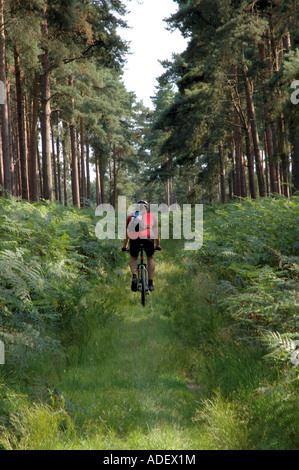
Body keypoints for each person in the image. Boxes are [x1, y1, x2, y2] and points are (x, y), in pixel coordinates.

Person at [122, 200, 162, 292]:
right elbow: (156, 233)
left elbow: (127, 234)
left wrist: (125, 246)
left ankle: (134, 276)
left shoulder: (130, 217)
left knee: (133, 258)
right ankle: (151, 283)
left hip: (134, 238)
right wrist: (158, 245)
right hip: (148, 238)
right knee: (150, 258)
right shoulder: (151, 217)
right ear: (146, 208)